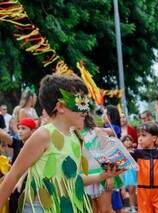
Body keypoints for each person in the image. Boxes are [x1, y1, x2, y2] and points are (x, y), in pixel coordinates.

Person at [0, 74, 120, 212]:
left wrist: (102, 176)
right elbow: (13, 174)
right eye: (80, 103)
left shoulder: (75, 138)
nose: (85, 110)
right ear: (61, 107)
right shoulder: (43, 135)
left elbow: (72, 180)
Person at [0, 118, 37, 213]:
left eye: (23, 128)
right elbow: (3, 135)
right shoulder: (17, 143)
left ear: (33, 131)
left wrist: (20, 181)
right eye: (19, 128)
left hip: (29, 185)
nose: (20, 131)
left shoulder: (36, 146)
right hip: (14, 184)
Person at [132, 122, 158, 213]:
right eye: (139, 136)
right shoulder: (136, 154)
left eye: (144, 135)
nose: (140, 139)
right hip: (143, 191)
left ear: (154, 138)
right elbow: (124, 159)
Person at [81, 115, 114, 213]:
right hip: (85, 177)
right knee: (91, 210)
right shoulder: (71, 134)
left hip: (102, 174)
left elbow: (109, 153)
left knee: (105, 210)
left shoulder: (96, 131)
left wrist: (109, 177)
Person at [120, 135, 137, 213]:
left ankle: (134, 206)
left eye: (130, 140)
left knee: (133, 190)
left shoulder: (135, 152)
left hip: (134, 171)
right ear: (122, 142)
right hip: (124, 172)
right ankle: (129, 206)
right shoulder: (121, 152)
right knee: (127, 190)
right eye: (126, 140)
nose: (128, 141)